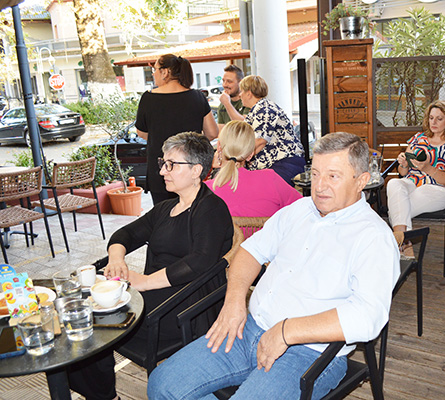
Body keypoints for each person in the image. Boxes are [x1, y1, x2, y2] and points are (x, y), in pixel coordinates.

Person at [147, 132, 400, 400]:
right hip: (248, 329)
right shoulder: (299, 210)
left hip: (309, 353)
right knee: (162, 384)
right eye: (315, 174)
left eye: (333, 176)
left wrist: (286, 330)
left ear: (361, 180)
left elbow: (368, 317)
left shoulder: (374, 237)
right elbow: (250, 251)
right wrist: (234, 301)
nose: (319, 186)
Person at [67, 132, 233, 400]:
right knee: (81, 316)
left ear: (196, 170)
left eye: (171, 164)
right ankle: (102, 394)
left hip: (184, 306)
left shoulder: (211, 209)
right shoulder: (166, 208)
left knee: (89, 323)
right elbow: (126, 234)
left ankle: (102, 395)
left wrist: (143, 282)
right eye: (163, 163)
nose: (163, 171)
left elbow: (199, 262)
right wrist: (117, 259)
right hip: (155, 295)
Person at [386, 100, 445, 257]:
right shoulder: (418, 138)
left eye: (439, 118)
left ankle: (401, 243)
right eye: (431, 118)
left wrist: (427, 168)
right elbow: (403, 173)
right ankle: (405, 244)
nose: (434, 122)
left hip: (438, 189)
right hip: (412, 182)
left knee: (396, 210)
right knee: (394, 183)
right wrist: (403, 163)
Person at [136, 54, 219, 205]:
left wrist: (160, 136)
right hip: (189, 167)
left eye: (155, 69)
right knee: (192, 213)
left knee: (163, 215)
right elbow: (212, 133)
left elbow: (141, 133)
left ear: (165, 72)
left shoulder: (148, 98)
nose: (153, 74)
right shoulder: (197, 97)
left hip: (161, 169)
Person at [206, 120, 302, 217]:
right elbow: (302, 208)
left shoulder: (205, 191)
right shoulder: (270, 179)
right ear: (250, 154)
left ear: (219, 146)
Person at [238, 75, 305, 185]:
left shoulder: (264, 108)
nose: (240, 95)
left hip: (283, 163)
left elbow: (261, 140)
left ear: (249, 93)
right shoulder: (257, 109)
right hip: (274, 165)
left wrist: (239, 157)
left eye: (241, 91)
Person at [217, 64, 250, 130]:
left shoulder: (248, 101)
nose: (224, 85)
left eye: (229, 81)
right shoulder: (222, 105)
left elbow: (244, 127)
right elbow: (221, 131)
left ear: (240, 83)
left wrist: (227, 103)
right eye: (223, 81)